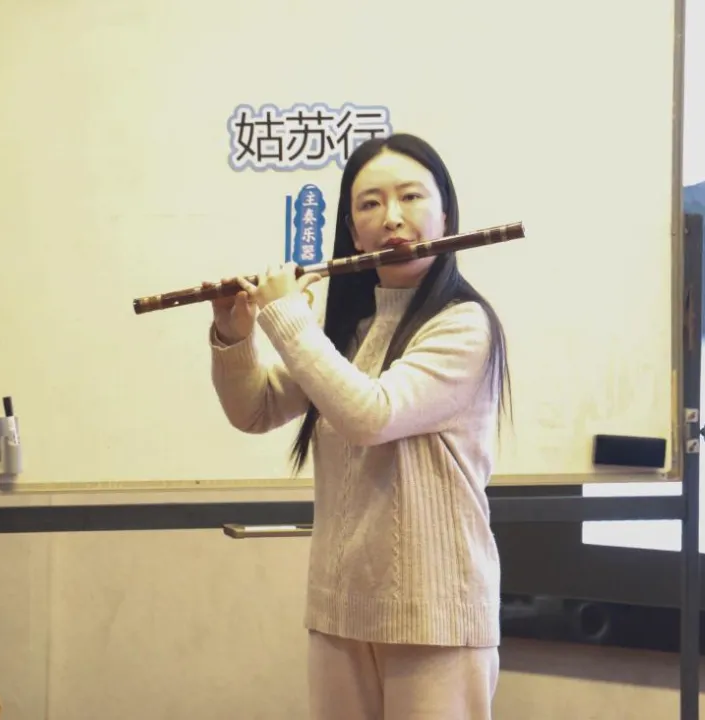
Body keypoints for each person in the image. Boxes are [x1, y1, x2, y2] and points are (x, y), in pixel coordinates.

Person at [205, 133, 511, 719]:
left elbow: (372, 415)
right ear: (352, 230)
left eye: (411, 197)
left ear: (446, 213)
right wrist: (234, 334)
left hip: (436, 617)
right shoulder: (349, 329)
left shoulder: (463, 325)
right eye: (370, 204)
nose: (392, 218)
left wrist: (287, 315)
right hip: (340, 612)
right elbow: (255, 410)